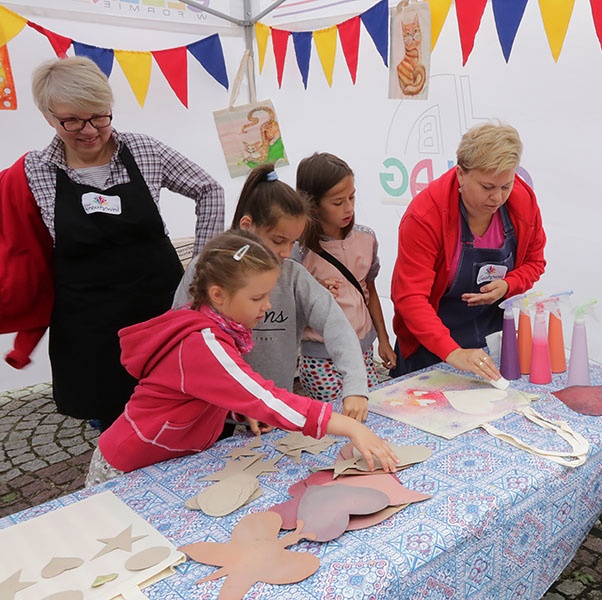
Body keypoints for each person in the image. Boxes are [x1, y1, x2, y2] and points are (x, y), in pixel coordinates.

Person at [0, 56, 224, 431]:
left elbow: (209, 189)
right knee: (116, 426)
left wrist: (201, 266)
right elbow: (20, 246)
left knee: (186, 416)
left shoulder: (143, 150)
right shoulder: (33, 172)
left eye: (99, 116)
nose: (89, 130)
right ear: (48, 116)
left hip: (160, 314)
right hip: (90, 329)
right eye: (72, 120)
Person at [86, 230, 397, 486]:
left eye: (268, 295)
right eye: (257, 297)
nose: (267, 306)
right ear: (219, 295)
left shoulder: (215, 328)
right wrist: (352, 428)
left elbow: (202, 393)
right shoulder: (203, 343)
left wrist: (236, 411)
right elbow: (267, 398)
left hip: (159, 458)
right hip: (127, 466)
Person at [173, 165, 371, 422]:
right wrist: (239, 406)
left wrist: (355, 385)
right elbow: (181, 341)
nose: (287, 253)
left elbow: (336, 324)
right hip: (212, 416)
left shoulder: (292, 275)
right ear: (247, 226)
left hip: (271, 414)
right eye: (278, 241)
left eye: (293, 242)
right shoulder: (206, 269)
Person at [391, 121, 546, 380]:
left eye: (505, 186)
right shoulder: (426, 215)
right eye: (487, 187)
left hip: (491, 337)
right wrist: (453, 352)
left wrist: (509, 285)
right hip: (430, 344)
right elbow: (410, 298)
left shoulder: (523, 201)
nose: (497, 198)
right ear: (461, 174)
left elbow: (535, 262)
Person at [293, 152, 396, 408]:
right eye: (338, 202)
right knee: (340, 421)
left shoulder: (366, 239)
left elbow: (369, 290)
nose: (349, 208)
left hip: (363, 351)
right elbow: (286, 310)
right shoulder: (298, 252)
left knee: (371, 412)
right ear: (312, 204)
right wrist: (313, 293)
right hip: (321, 359)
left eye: (352, 197)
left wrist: (383, 339)